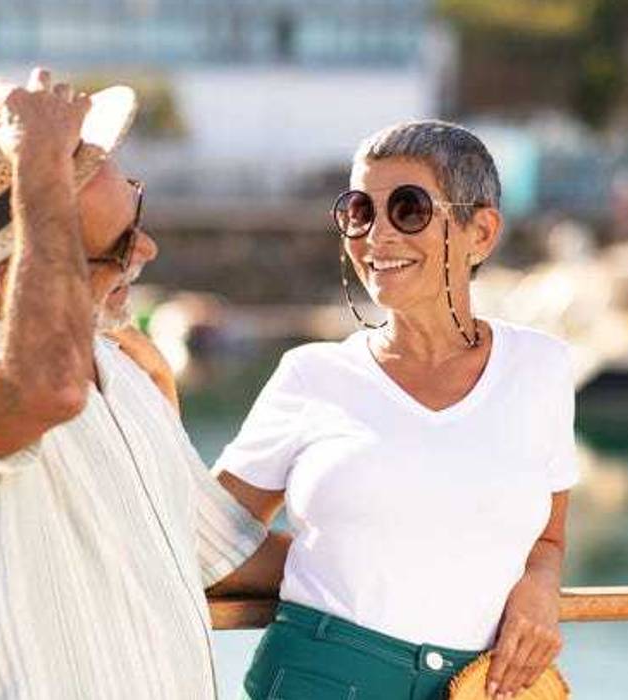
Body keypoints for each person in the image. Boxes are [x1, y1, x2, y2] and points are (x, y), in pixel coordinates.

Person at [0, 67, 285, 700]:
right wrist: (40, 164)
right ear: (21, 272)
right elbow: (46, 391)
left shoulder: (126, 371)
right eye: (116, 246)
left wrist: (454, 566)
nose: (146, 250)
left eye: (136, 216)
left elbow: (223, 557)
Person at [214, 120, 579, 700]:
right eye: (359, 211)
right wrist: (328, 559)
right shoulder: (312, 377)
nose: (376, 235)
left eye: (408, 209)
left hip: (481, 688)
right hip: (319, 678)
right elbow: (204, 539)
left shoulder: (543, 368)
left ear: (479, 232)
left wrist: (541, 587)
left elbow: (549, 540)